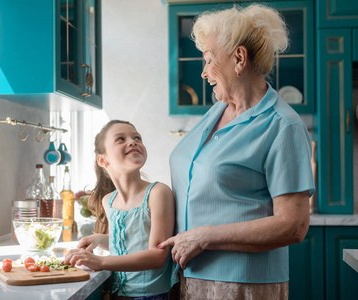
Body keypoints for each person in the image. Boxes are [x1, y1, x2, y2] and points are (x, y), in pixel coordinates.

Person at [157, 4, 315, 300]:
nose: (203, 73)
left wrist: (204, 237)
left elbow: (293, 225)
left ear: (239, 58)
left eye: (208, 60)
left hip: (243, 286)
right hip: (190, 277)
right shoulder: (215, 112)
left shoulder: (282, 125)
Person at [64, 120, 178, 300]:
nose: (132, 142)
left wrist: (100, 261)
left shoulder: (158, 193)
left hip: (152, 296)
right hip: (118, 295)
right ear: (103, 160)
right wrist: (101, 239)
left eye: (137, 138)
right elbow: (129, 244)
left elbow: (157, 256)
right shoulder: (108, 201)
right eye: (120, 139)